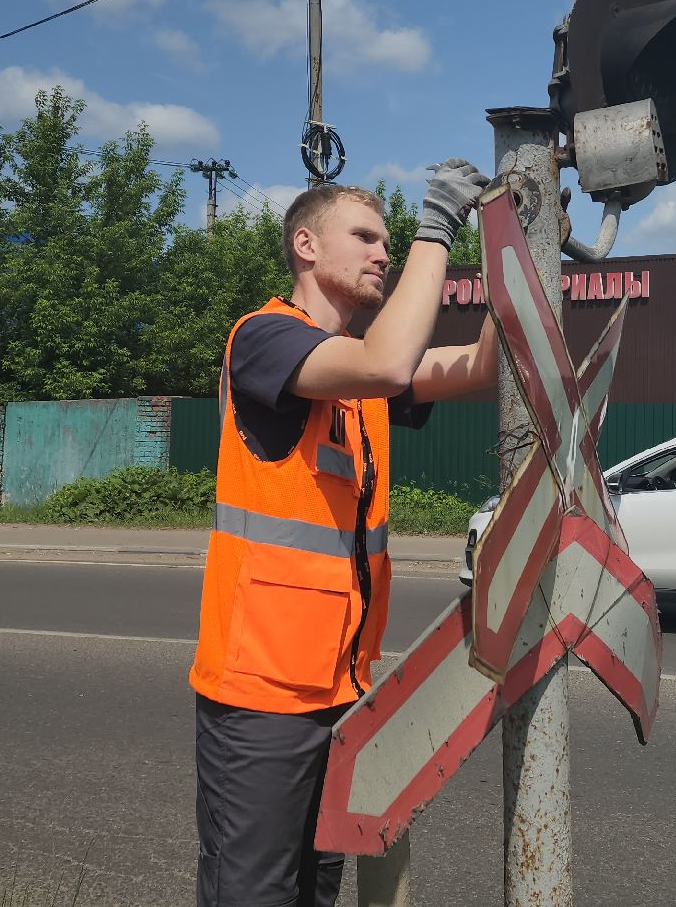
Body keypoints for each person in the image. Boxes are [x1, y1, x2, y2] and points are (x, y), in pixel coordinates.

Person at [190, 159, 499, 907]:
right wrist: (439, 225)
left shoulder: (365, 386)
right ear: (305, 245)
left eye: (390, 241)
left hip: (341, 690)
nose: (383, 253)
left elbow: (484, 366)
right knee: (253, 896)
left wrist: (526, 251)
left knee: (316, 893)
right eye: (363, 236)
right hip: (261, 695)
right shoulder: (262, 338)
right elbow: (389, 359)